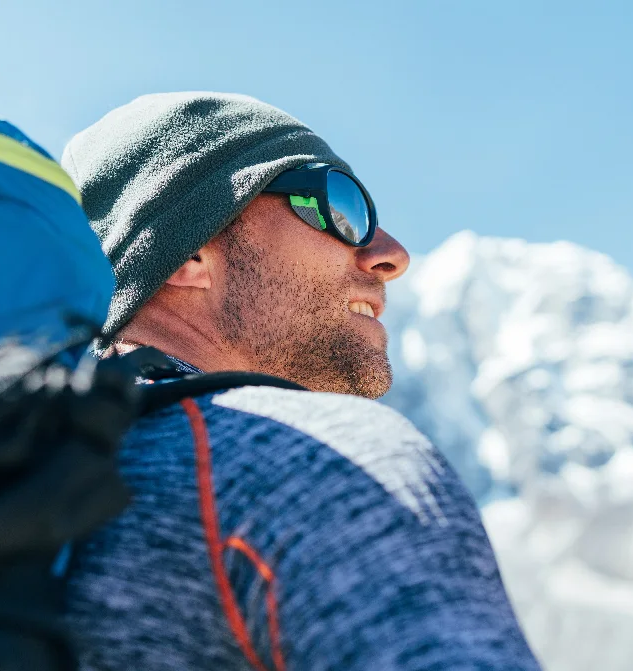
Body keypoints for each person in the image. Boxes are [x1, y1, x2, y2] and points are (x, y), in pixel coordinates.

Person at [60, 92, 541, 670]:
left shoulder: (14, 475)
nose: (391, 254)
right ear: (189, 247)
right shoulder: (333, 459)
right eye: (339, 205)